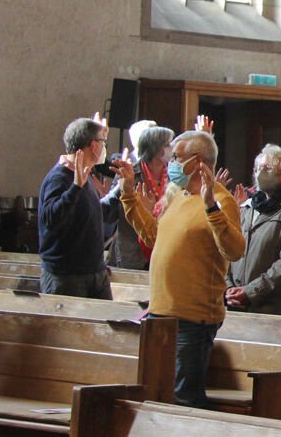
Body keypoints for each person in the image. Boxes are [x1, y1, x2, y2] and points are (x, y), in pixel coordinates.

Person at [113, 130, 245, 408]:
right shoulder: (179, 196)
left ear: (197, 161)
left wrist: (211, 207)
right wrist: (128, 195)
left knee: (184, 402)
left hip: (192, 319)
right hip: (160, 315)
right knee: (156, 396)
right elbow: (153, 236)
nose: (170, 162)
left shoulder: (221, 199)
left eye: (176, 157)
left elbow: (234, 250)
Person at [226, 145, 281, 316]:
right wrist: (228, 289)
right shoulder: (247, 208)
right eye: (258, 168)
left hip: (269, 308)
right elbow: (228, 250)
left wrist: (250, 292)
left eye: (268, 168)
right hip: (234, 306)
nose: (260, 173)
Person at [38, 116, 117, 299]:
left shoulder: (84, 174)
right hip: (67, 274)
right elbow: (51, 219)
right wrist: (75, 188)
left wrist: (123, 187)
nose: (105, 147)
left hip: (94, 270)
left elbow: (95, 213)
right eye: (103, 142)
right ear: (93, 145)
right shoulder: (59, 177)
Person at [102, 125, 174, 270]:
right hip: (133, 253)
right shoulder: (129, 173)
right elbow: (109, 214)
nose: (172, 147)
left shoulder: (175, 175)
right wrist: (122, 188)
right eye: (168, 144)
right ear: (156, 149)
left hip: (165, 251)